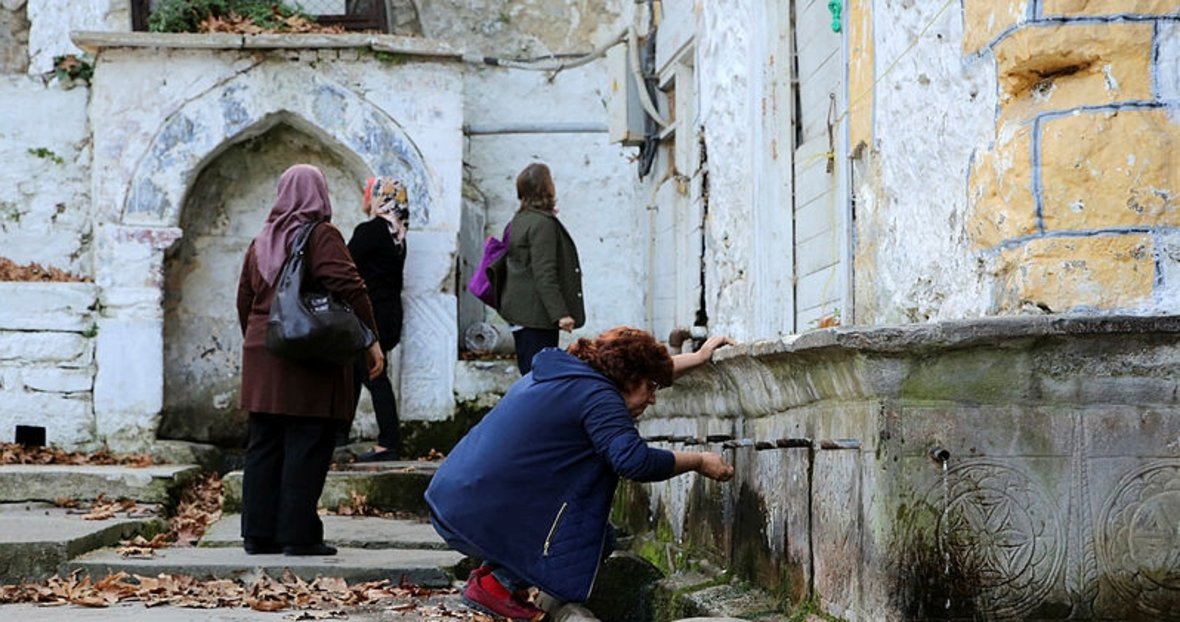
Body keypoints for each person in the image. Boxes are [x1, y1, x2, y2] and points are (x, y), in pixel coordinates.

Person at [425, 328, 735, 619]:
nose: (653, 399)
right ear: (627, 377)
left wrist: (698, 357)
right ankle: (496, 585)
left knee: (597, 535)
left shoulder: (571, 376)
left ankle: (497, 577)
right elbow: (633, 460)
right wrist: (698, 461)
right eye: (651, 388)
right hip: (476, 514)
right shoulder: (599, 398)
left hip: (460, 502)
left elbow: (646, 376)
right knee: (593, 539)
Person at [236, 164, 383, 557]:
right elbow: (350, 286)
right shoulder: (321, 235)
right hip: (308, 356)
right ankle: (298, 535)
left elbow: (245, 301)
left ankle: (258, 534)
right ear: (319, 194)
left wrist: (262, 345)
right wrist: (370, 339)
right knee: (307, 442)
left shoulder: (262, 239)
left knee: (264, 445)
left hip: (263, 352)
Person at [498, 162, 584, 375]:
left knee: (531, 373)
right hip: (535, 316)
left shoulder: (520, 219)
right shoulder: (542, 223)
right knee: (539, 376)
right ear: (546, 188)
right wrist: (560, 314)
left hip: (520, 312)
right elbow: (544, 272)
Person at [346, 176, 409, 462]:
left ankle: (389, 443)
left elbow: (344, 264)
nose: (365, 197)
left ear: (379, 196)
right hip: (390, 314)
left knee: (373, 375)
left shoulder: (370, 231)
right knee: (355, 372)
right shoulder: (397, 233)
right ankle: (338, 435)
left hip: (371, 315)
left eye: (368, 191)